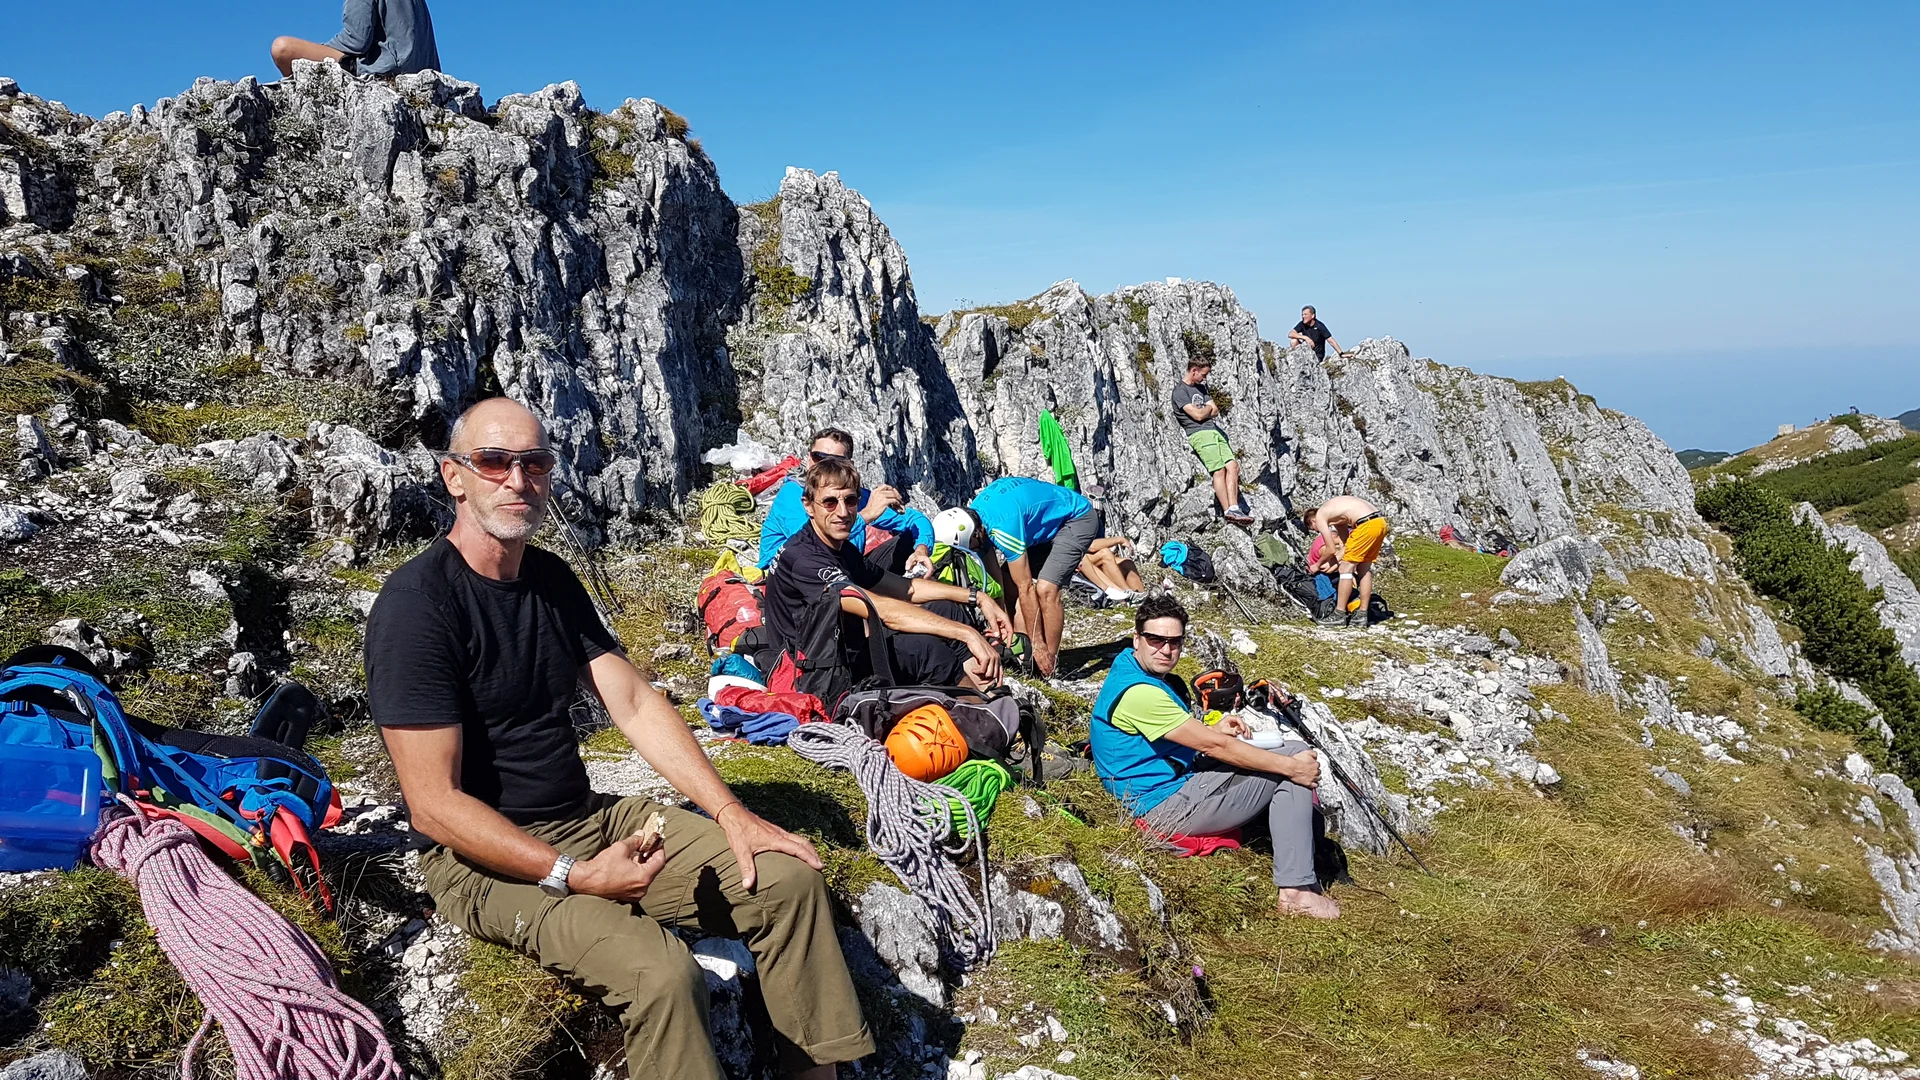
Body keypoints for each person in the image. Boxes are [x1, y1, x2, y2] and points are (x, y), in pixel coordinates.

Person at [367, 398, 872, 1080]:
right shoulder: (417, 607)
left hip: (589, 817)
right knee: (662, 975)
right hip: (482, 858)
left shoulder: (548, 579)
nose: (517, 480)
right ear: (454, 476)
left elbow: (633, 702)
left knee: (786, 883)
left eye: (535, 462)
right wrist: (570, 875)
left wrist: (731, 813)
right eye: (493, 462)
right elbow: (432, 803)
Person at [1089, 595, 1337, 918]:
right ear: (1137, 638)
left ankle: (1296, 874)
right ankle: (1296, 891)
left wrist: (1214, 726)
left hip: (1161, 791)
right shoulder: (1141, 694)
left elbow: (1181, 734)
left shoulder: (1130, 669)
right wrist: (1292, 768)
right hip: (1163, 806)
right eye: (1156, 640)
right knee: (1290, 764)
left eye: (1174, 642)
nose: (1166, 650)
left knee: (1289, 756)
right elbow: (1215, 748)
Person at [764, 456, 1013, 693]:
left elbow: (906, 588)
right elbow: (880, 609)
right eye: (830, 502)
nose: (842, 512)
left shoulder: (840, 548)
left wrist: (977, 596)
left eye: (850, 501)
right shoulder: (804, 559)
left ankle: (984, 688)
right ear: (808, 506)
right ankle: (977, 717)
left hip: (837, 650)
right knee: (924, 650)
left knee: (947, 610)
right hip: (812, 673)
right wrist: (966, 633)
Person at [959, 477, 1101, 678]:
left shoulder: (1002, 528)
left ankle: (1047, 665)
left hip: (1076, 519)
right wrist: (1002, 631)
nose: (972, 552)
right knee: (1009, 582)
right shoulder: (976, 520)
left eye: (970, 547)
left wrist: (1038, 643)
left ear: (976, 535)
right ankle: (1022, 653)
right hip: (1045, 526)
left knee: (1046, 589)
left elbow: (1025, 587)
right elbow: (998, 583)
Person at [757, 428, 934, 577]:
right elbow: (811, 547)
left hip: (843, 567)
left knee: (908, 538)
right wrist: (866, 515)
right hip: (792, 576)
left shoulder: (855, 496)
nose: (826, 466)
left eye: (835, 461)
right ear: (810, 459)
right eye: (820, 457)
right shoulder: (792, 494)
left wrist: (921, 549)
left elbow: (915, 519)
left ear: (849, 465)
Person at [1172, 356, 1254, 525]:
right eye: (1203, 374)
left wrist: (1206, 409)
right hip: (1199, 433)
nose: (1204, 378)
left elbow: (1215, 411)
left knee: (1233, 466)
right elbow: (1198, 415)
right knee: (1219, 470)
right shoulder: (1180, 392)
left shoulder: (1201, 389)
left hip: (1214, 432)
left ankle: (1235, 507)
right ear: (1193, 370)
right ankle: (1228, 511)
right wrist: (1207, 408)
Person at [271, 0, 441, 78]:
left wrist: (321, 49)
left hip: (384, 69)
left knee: (283, 48)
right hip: (422, 72)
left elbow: (356, 40)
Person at [1304, 495, 1390, 629]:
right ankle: (1362, 614)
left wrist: (1317, 565)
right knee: (1363, 569)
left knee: (1345, 570)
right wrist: (1335, 562)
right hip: (1379, 523)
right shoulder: (1337, 514)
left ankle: (1339, 615)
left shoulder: (1321, 516)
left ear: (1313, 520)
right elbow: (1346, 544)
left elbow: (1331, 548)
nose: (1317, 531)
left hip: (1365, 525)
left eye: (1314, 528)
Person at [1079, 536, 1146, 603]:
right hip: (1079, 559)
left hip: (1091, 557)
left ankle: (1142, 600)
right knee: (1105, 554)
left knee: (1127, 563)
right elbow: (1090, 546)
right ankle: (1127, 594)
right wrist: (1120, 540)